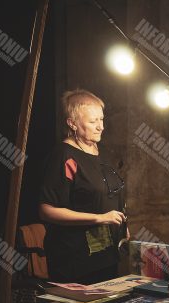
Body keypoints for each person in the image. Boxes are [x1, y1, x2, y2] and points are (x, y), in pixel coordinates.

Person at [39, 89, 128, 284]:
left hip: (105, 254)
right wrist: (100, 218)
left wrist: (122, 228)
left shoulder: (99, 152)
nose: (100, 127)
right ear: (72, 123)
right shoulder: (65, 157)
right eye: (92, 121)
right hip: (75, 259)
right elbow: (47, 210)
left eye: (101, 120)